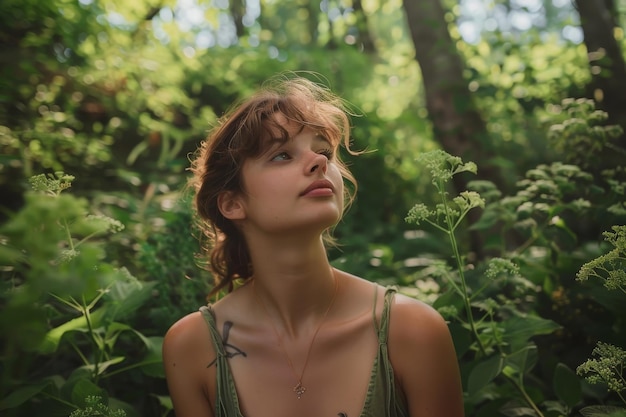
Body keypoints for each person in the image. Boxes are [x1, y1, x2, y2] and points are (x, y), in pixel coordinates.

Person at [162, 75, 464, 417]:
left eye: (324, 151)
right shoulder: (192, 348)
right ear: (232, 204)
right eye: (282, 156)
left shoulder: (412, 331)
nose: (320, 162)